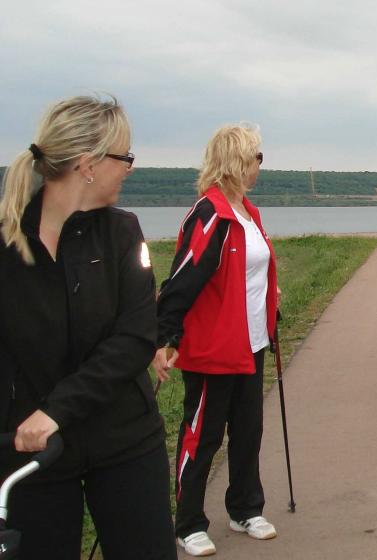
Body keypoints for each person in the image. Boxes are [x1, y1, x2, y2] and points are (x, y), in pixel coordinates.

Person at [0, 95, 176, 559]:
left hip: (124, 440)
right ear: (88, 165)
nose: (130, 169)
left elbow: (135, 338)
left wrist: (57, 410)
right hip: (31, 450)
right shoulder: (7, 241)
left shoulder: (122, 232)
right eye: (125, 157)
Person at [152, 123, 280, 557]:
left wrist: (272, 303)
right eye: (256, 156)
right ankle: (188, 522)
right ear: (235, 160)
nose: (260, 164)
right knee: (202, 434)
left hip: (251, 341)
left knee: (248, 430)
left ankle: (245, 508)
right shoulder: (209, 214)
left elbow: (251, 272)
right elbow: (181, 280)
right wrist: (166, 336)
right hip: (214, 346)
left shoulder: (248, 212)